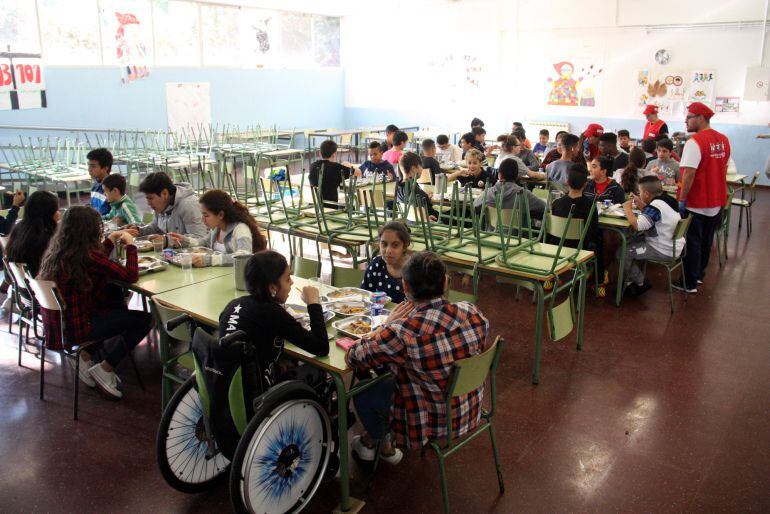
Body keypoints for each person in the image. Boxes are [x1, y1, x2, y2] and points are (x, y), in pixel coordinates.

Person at [346, 251, 489, 461]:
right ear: (446, 283)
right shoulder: (472, 313)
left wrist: (386, 325)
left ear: (405, 286)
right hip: (470, 407)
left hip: (431, 420)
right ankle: (377, 441)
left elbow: (353, 357)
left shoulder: (402, 332)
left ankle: (379, 442)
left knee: (361, 391)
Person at [38, 206, 152, 399]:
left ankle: (84, 355)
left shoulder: (59, 251)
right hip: (81, 326)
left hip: (61, 326)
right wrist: (131, 246)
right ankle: (106, 368)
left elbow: (97, 261)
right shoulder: (89, 255)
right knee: (144, 320)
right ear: (91, 230)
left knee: (113, 296)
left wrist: (112, 238)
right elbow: (131, 275)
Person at [219, 250, 329, 388]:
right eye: (287, 278)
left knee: (289, 359)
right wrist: (313, 303)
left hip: (225, 384)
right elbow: (321, 347)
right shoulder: (272, 313)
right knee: (317, 370)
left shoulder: (233, 304)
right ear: (272, 287)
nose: (292, 282)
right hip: (256, 394)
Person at [675, 101, 731, 294]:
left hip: (697, 201)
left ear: (700, 118)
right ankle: (698, 275)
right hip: (716, 200)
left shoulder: (694, 142)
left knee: (692, 242)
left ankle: (688, 282)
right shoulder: (723, 140)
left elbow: (689, 174)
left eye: (689, 117)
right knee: (706, 241)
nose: (686, 121)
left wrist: (682, 200)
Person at [621, 176, 683, 297]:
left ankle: (640, 282)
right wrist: (643, 205)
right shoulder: (667, 200)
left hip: (664, 249)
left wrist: (627, 209)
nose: (639, 194)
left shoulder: (655, 207)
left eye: (640, 192)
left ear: (646, 193)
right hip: (674, 244)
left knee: (622, 253)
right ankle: (630, 281)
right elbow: (657, 216)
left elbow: (638, 225)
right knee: (629, 242)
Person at [172, 189, 267, 267]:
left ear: (220, 214)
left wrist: (209, 260)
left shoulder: (240, 229)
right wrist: (183, 240)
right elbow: (204, 242)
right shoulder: (217, 228)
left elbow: (244, 256)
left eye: (206, 215)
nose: (202, 220)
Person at [127, 171, 207, 242]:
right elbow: (156, 227)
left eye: (150, 198)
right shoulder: (161, 205)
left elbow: (199, 238)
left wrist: (167, 240)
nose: (148, 203)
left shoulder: (189, 206)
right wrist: (139, 231)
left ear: (165, 193)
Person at [5, 190, 59, 278]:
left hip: (26, 284)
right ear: (48, 214)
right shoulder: (44, 238)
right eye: (56, 210)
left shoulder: (19, 229)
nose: (58, 213)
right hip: (41, 285)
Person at [549, 164, 599, 256]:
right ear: (585, 184)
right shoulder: (590, 206)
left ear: (567, 182)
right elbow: (594, 231)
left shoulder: (556, 203)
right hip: (580, 250)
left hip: (557, 248)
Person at [474, 158, 545, 220]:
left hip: (490, 234)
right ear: (517, 176)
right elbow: (545, 207)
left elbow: (475, 204)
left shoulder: (489, 192)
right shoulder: (523, 193)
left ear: (499, 175)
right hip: (517, 234)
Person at [361, 221, 411, 303]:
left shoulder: (414, 271)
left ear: (405, 246)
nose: (388, 251)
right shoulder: (377, 264)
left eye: (395, 245)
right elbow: (365, 295)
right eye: (384, 244)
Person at [308, 140, 360, 208]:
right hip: (332, 207)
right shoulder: (336, 167)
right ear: (334, 154)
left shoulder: (312, 166)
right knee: (351, 206)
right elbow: (358, 173)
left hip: (316, 207)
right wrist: (349, 164)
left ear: (319, 153)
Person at [396, 152, 438, 220]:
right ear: (413, 168)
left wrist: (425, 196)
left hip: (411, 221)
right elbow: (424, 220)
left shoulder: (399, 186)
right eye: (421, 166)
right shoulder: (413, 190)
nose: (422, 169)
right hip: (433, 221)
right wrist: (426, 219)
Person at [87, 148, 113, 216]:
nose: (89, 169)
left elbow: (117, 215)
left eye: (93, 166)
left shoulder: (112, 189)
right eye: (89, 165)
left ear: (105, 168)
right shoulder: (95, 186)